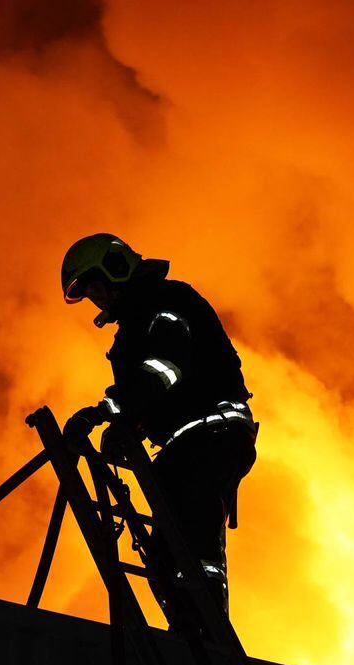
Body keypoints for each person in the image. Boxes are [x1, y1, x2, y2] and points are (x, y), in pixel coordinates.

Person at [58, 233, 257, 620]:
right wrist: (113, 422)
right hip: (185, 445)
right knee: (165, 556)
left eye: (96, 288)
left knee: (194, 545)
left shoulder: (166, 302)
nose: (97, 301)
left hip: (212, 434)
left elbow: (165, 369)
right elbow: (145, 391)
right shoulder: (131, 330)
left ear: (115, 268)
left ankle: (206, 632)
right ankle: (188, 631)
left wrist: (116, 416)